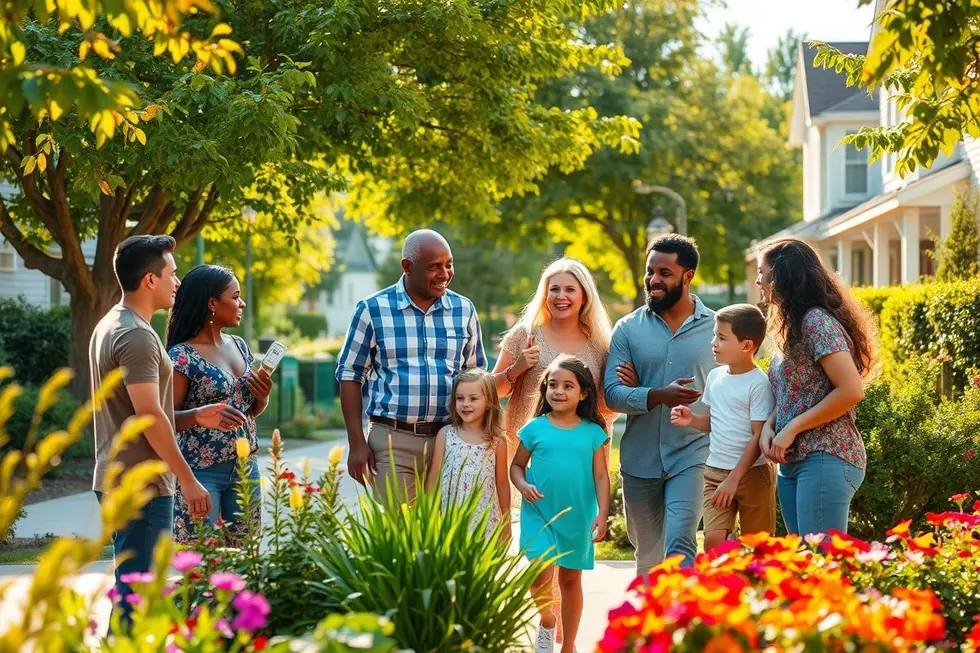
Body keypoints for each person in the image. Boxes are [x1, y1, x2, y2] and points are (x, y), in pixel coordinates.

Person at [491, 257, 616, 644]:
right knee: (541, 559)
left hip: (582, 456)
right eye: (554, 288)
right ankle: (553, 628)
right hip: (530, 455)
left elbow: (607, 402)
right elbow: (491, 391)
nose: (561, 296)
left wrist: (624, 383)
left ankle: (565, 638)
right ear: (545, 293)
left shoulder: (600, 343)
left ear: (584, 296)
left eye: (570, 289)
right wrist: (516, 370)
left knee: (569, 564)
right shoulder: (525, 335)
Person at [89, 235, 212, 628]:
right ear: (149, 280)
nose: (177, 282)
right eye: (172, 274)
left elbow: (143, 409)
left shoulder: (114, 323)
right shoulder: (138, 336)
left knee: (133, 591)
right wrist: (189, 480)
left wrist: (194, 415)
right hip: (141, 482)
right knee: (138, 597)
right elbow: (149, 416)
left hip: (122, 476)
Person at [336, 229, 487, 503]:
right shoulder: (372, 309)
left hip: (451, 440)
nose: (445, 274)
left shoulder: (464, 310)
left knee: (447, 535)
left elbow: (476, 375)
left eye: (449, 264)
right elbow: (350, 375)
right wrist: (356, 443)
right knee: (403, 533)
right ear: (407, 267)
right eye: (434, 267)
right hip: (393, 441)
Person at [604, 234, 716, 573]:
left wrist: (640, 391)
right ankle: (645, 625)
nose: (654, 280)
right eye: (650, 272)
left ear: (688, 275)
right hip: (640, 459)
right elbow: (612, 393)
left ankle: (679, 624)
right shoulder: (626, 329)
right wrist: (656, 395)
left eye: (665, 273)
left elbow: (735, 386)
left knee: (681, 544)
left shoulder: (716, 328)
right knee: (648, 554)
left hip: (694, 452)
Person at [756, 237, 875, 536]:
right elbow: (792, 393)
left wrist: (792, 428)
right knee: (804, 570)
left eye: (763, 272)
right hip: (793, 459)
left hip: (826, 454)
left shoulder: (816, 322)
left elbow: (850, 390)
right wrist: (771, 426)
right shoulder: (791, 327)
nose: (758, 280)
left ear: (782, 276)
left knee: (823, 567)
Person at [166, 265, 273, 545]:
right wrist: (198, 416)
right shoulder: (181, 356)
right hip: (201, 471)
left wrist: (262, 396)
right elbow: (165, 417)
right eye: (235, 296)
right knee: (204, 558)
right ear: (212, 303)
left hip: (245, 467)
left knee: (245, 557)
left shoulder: (239, 345)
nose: (242, 303)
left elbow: (249, 411)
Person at [512, 355, 610, 653]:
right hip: (539, 513)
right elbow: (516, 466)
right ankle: (547, 618)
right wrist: (523, 485)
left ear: (583, 394)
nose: (558, 391)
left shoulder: (593, 433)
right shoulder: (534, 428)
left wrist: (603, 514)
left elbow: (602, 477)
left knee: (569, 579)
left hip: (578, 517)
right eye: (553, 384)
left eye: (568, 386)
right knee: (538, 571)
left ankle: (568, 646)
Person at [669, 304, 776, 552]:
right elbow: (712, 422)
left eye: (722, 337)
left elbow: (758, 436)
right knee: (713, 543)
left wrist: (734, 479)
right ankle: (722, 587)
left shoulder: (759, 384)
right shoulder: (715, 377)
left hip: (753, 476)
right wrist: (691, 419)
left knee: (758, 548)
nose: (713, 343)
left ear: (747, 346)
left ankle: (753, 590)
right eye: (714, 335)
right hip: (716, 471)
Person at [425, 369, 511, 541]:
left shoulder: (497, 442)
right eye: (460, 398)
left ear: (488, 402)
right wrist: (428, 515)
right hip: (449, 520)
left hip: (485, 523)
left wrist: (506, 522)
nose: (465, 404)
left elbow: (502, 483)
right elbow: (434, 477)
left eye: (473, 398)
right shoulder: (446, 434)